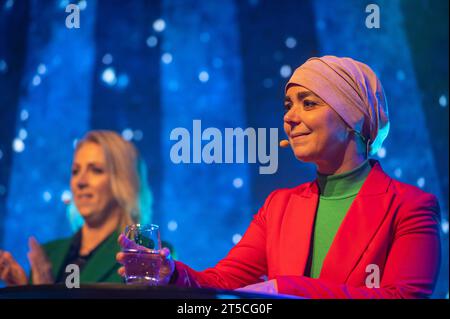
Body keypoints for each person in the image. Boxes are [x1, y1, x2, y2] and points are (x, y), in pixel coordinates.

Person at [116, 56, 441, 299]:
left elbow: (403, 297)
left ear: (351, 117)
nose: (290, 116)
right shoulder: (279, 206)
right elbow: (224, 281)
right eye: (288, 105)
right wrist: (173, 275)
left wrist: (289, 289)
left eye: (308, 103)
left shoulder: (411, 206)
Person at [0, 130, 162, 285]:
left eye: (96, 170)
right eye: (75, 171)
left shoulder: (148, 254)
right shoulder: (48, 254)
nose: (80, 181)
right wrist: (22, 290)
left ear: (124, 182)